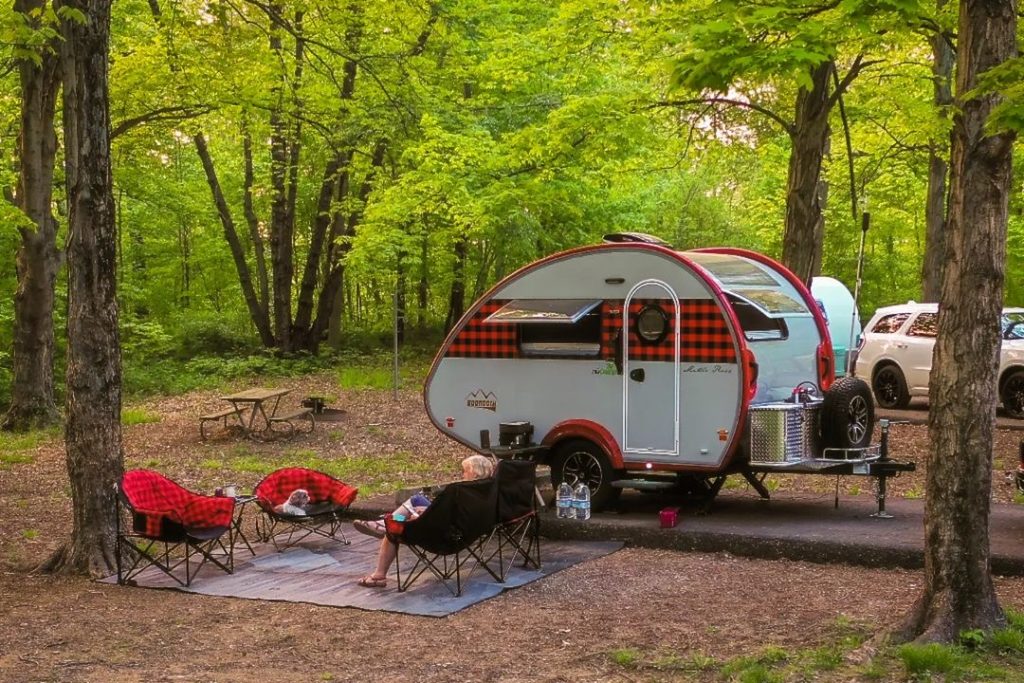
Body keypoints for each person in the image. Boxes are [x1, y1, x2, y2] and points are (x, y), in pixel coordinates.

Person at [355, 454, 494, 588]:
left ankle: (379, 573)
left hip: (444, 537)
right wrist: (428, 512)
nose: (462, 475)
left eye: (465, 471)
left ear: (474, 473)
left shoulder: (460, 491)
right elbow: (451, 515)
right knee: (415, 502)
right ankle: (383, 522)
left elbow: (444, 520)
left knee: (395, 528)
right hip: (462, 533)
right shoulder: (487, 491)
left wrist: (423, 517)